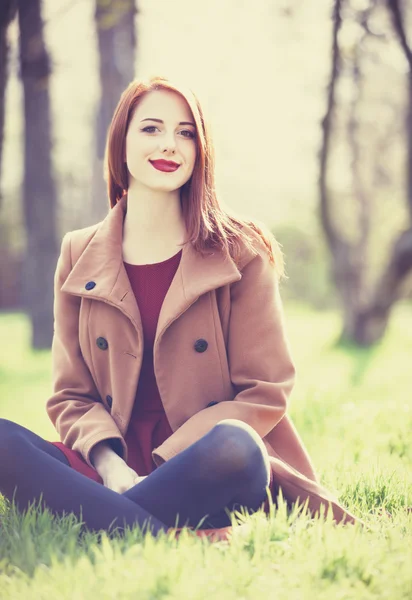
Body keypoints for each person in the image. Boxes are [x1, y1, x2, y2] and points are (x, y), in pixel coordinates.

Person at [0, 76, 363, 541]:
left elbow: (265, 391)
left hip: (209, 463)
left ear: (201, 148)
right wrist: (110, 465)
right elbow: (71, 395)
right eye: (151, 128)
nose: (170, 144)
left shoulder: (240, 249)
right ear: (121, 142)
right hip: (115, 467)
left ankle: (106, 520)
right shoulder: (78, 251)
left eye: (186, 132)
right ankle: (162, 534)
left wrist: (167, 466)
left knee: (237, 446)